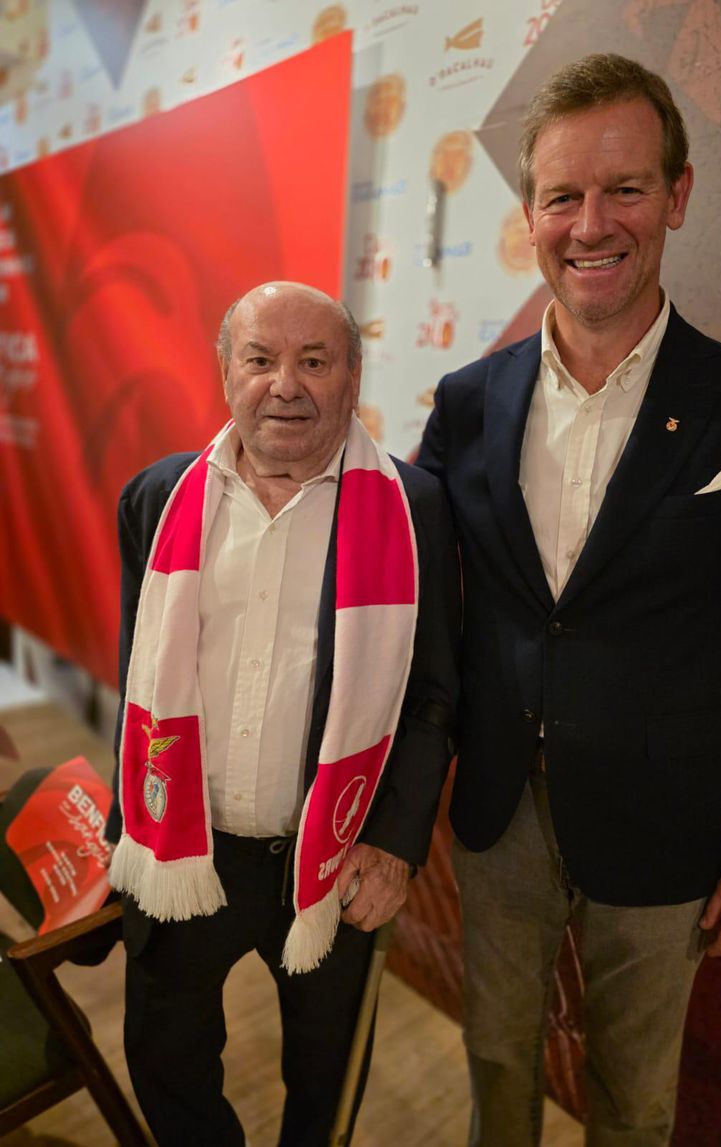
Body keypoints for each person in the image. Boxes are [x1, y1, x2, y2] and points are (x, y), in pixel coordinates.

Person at [417, 53, 721, 1147]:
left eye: (625, 189)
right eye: (561, 195)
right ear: (530, 215)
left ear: (678, 195)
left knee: (637, 1102)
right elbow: (406, 607)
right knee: (496, 1064)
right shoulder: (466, 404)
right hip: (496, 811)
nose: (590, 223)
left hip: (667, 827)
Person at [105, 281, 460, 1147]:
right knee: (166, 1057)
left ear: (354, 375)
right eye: (260, 359)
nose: (285, 385)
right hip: (188, 845)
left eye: (315, 361)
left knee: (327, 1078)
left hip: (333, 854)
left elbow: (434, 692)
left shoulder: (413, 508)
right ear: (227, 371)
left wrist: (394, 841)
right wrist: (127, 825)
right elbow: (137, 675)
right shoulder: (157, 497)